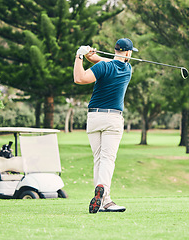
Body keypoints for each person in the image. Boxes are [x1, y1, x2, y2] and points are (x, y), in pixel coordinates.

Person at [73, 38, 138, 213]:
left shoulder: (103, 67)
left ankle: (104, 200)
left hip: (94, 117)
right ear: (128, 53)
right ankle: (103, 190)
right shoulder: (128, 69)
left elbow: (80, 77)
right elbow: (91, 68)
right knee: (107, 159)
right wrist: (89, 56)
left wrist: (80, 55)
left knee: (98, 159)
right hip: (113, 119)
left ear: (115, 50)